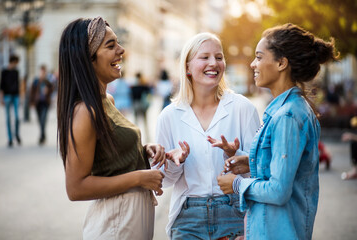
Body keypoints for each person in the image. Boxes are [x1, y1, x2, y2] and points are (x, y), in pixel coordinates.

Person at [217, 23, 338, 240]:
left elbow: (278, 191)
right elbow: (287, 171)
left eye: (259, 57)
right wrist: (250, 162)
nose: (253, 64)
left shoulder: (287, 116)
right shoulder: (289, 109)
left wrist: (236, 184)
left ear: (282, 63)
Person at [57, 17, 167, 239]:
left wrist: (142, 150)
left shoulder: (106, 99)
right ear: (87, 58)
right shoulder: (85, 112)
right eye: (110, 45)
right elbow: (76, 188)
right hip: (116, 224)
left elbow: (109, 156)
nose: (121, 50)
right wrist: (139, 178)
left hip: (130, 220)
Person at [155, 32, 260, 239]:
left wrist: (235, 155)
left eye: (219, 57)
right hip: (187, 218)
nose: (214, 63)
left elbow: (260, 172)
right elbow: (165, 181)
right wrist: (176, 162)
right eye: (205, 57)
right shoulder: (169, 116)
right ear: (187, 67)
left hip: (234, 212)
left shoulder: (243, 109)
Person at [0, 54, 22, 147]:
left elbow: (18, 84)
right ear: (13, 62)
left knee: (17, 117)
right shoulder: (4, 71)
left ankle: (16, 134)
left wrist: (21, 97)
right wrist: (1, 98)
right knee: (8, 118)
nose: (17, 65)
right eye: (16, 63)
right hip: (7, 96)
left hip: (16, 96)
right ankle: (10, 139)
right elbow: (1, 86)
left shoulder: (16, 72)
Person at [30, 64, 54, 145]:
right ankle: (43, 135)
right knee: (40, 121)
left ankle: (41, 136)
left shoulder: (47, 81)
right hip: (38, 103)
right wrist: (32, 102)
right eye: (41, 72)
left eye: (44, 72)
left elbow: (52, 89)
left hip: (45, 103)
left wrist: (48, 90)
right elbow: (32, 92)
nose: (42, 73)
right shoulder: (36, 81)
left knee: (43, 120)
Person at [131, 72, 152, 141]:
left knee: (136, 122)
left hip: (136, 104)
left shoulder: (133, 86)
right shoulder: (144, 85)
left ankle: (136, 136)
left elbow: (132, 96)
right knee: (145, 121)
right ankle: (147, 136)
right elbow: (149, 93)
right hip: (143, 105)